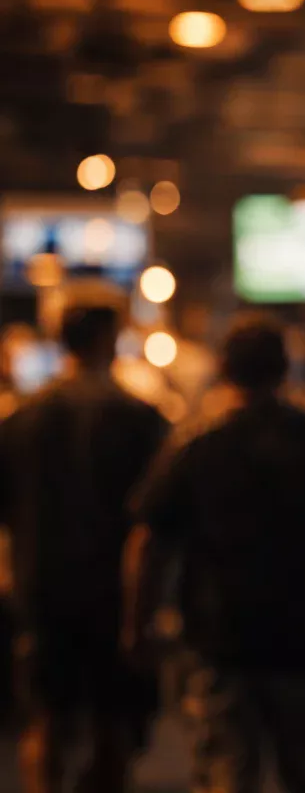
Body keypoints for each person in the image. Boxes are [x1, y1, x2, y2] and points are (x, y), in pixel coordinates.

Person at [124, 315, 305, 793]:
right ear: (285, 370)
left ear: (225, 370)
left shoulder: (197, 445)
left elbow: (151, 542)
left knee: (227, 773)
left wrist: (138, 626)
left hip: (221, 639)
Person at [0, 298, 167, 793]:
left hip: (41, 585)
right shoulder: (139, 418)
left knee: (46, 716)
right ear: (108, 340)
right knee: (112, 722)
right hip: (115, 590)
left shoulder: (20, 419)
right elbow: (157, 518)